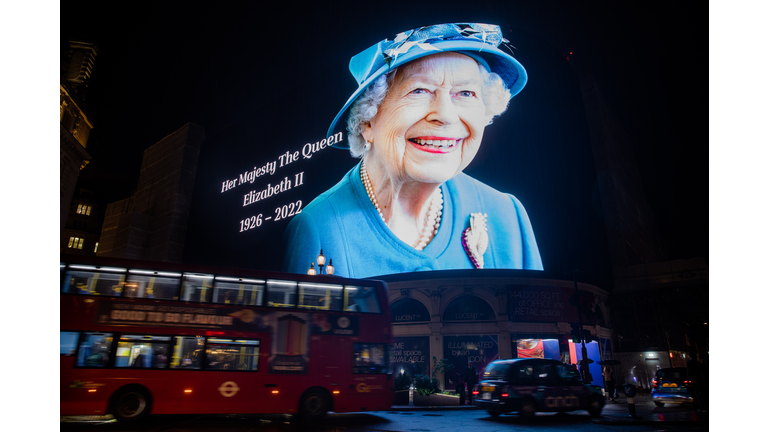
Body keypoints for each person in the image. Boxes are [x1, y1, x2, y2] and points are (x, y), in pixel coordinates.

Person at [283, 23, 543, 279]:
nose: (446, 116)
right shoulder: (319, 230)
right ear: (367, 120)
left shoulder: (507, 217)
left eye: (466, 92)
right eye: (419, 90)